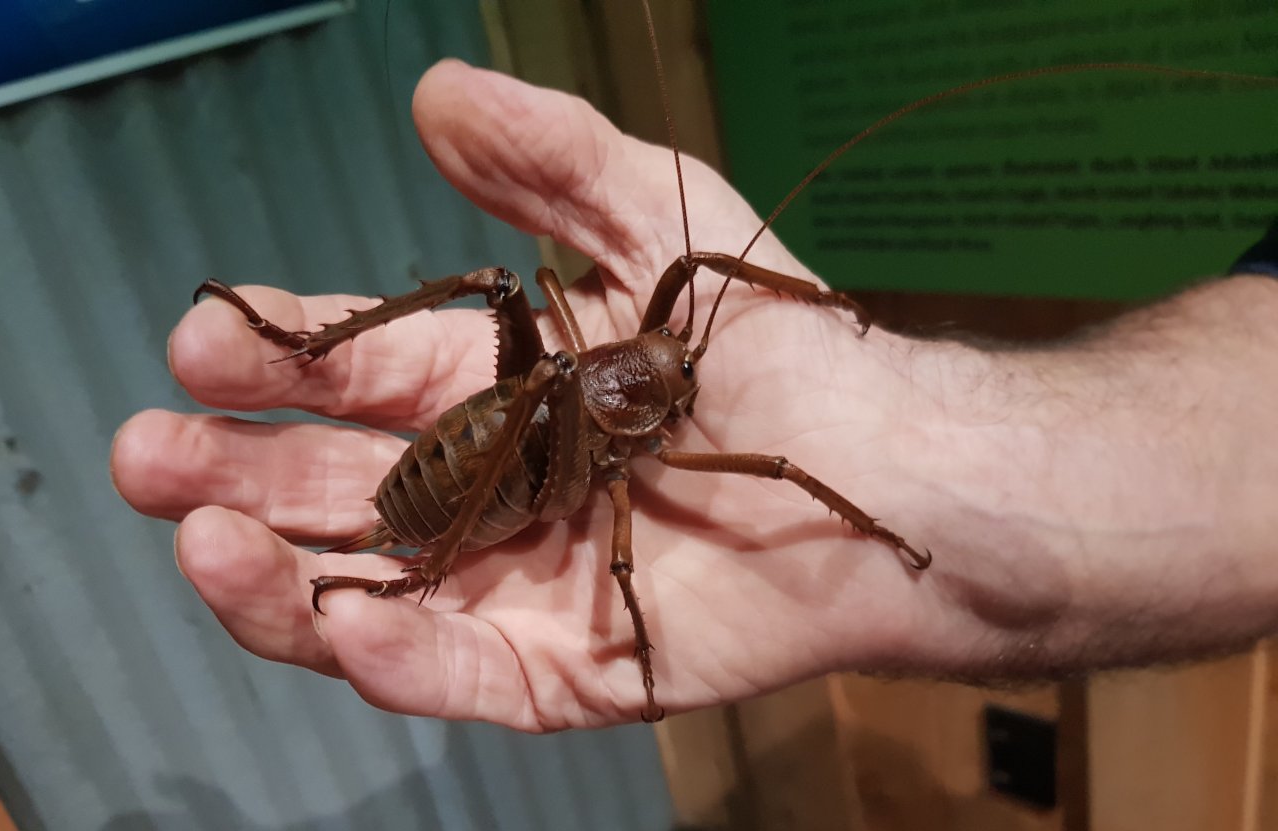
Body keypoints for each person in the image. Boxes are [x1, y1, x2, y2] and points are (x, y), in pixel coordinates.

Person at [110, 60, 1278, 732]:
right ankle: (318, 366)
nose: (683, 365)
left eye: (678, 361)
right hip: (491, 468)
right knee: (504, 288)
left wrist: (878, 454)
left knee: (549, 344)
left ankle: (418, 538)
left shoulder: (645, 418)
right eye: (670, 361)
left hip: (515, 452)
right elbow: (626, 525)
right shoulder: (608, 448)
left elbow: (687, 462)